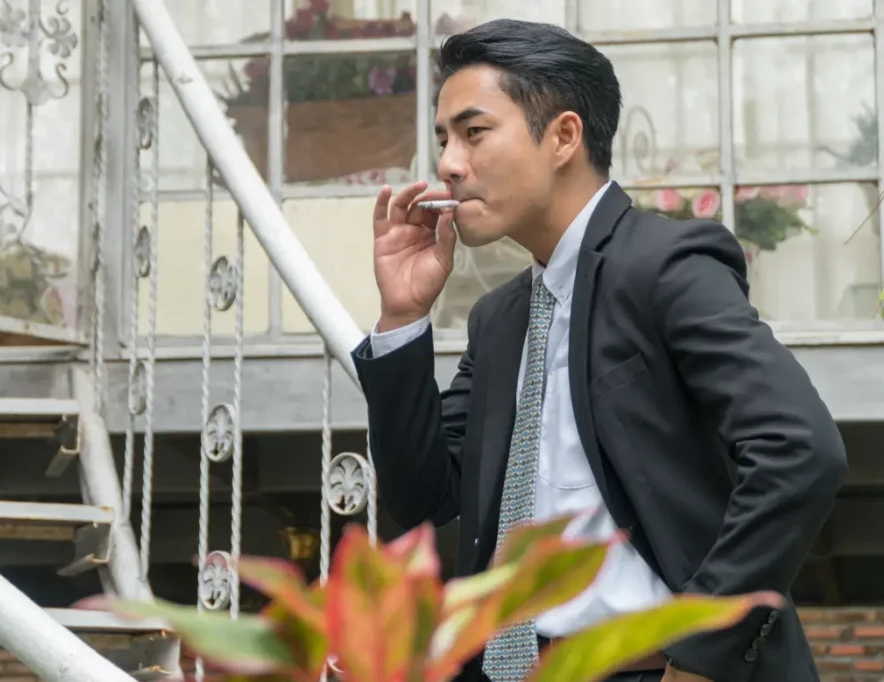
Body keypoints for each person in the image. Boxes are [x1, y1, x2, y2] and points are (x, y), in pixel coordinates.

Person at [351, 18, 847, 682]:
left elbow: (800, 449)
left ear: (562, 137)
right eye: (444, 139)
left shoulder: (665, 265)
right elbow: (421, 498)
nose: (448, 163)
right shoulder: (500, 321)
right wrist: (403, 316)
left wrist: (702, 657)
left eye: (474, 133)